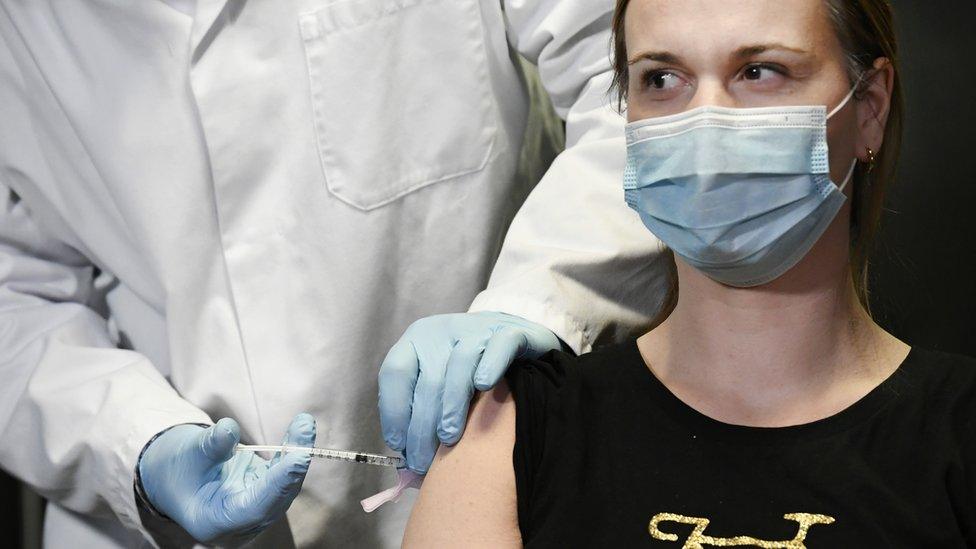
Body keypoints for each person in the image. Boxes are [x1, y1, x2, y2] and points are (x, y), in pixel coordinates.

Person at [0, 1, 667, 547]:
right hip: (140, 525)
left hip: (480, 482)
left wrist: (538, 299)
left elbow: (650, 92)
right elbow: (16, 291)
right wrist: (137, 444)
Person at [403, 0, 976, 546]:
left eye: (759, 71)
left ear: (870, 106)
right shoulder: (515, 433)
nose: (706, 122)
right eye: (661, 79)